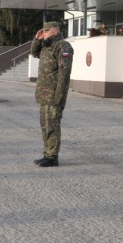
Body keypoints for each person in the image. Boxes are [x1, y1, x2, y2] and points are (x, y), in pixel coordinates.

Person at [30, 21, 73, 167]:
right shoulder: (46, 46)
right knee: (45, 126)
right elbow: (34, 53)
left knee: (52, 126)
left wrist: (59, 96)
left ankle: (52, 157)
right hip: (44, 95)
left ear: (54, 31)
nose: (44, 34)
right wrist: (37, 39)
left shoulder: (63, 46)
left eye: (46, 31)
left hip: (54, 94)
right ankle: (47, 154)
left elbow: (64, 74)